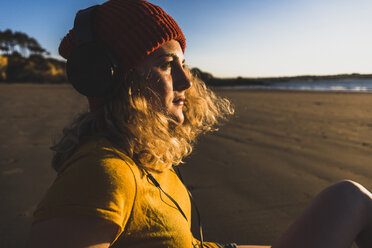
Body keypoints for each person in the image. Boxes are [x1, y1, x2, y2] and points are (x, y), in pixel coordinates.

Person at [28, 0, 372, 248]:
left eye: (183, 63)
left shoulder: (143, 156)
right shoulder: (101, 172)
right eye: (166, 65)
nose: (186, 81)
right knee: (351, 199)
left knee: (349, 198)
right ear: (112, 78)